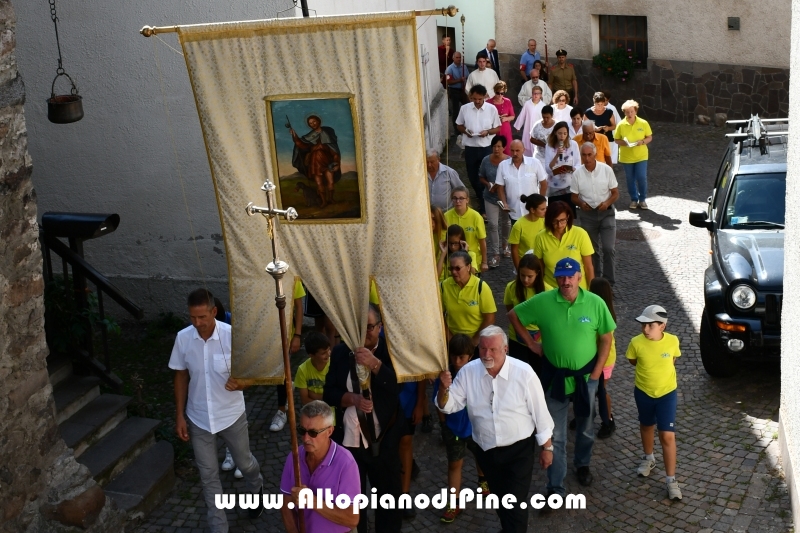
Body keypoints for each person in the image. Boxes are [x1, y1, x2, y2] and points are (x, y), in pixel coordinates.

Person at [507, 258, 615, 508]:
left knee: (586, 427)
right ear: (556, 278)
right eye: (561, 276)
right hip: (554, 379)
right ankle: (555, 487)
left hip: (586, 379)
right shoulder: (544, 301)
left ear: (579, 277)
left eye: (570, 276)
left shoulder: (595, 303)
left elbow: (607, 339)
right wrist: (532, 344)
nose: (566, 281)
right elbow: (513, 315)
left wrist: (596, 376)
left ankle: (583, 464)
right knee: (555, 435)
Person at [436, 326, 554, 532]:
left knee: (515, 503)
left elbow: (540, 413)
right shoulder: (467, 372)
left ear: (505, 349)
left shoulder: (524, 373)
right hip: (487, 450)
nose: (487, 354)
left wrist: (547, 448)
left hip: (519, 451)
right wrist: (443, 389)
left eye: (493, 350)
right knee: (500, 501)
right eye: (482, 349)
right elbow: (448, 405)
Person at [169, 289, 264, 532]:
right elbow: (180, 375)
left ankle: (256, 486)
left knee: (245, 463)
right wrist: (179, 415)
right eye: (192, 317)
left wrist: (243, 383)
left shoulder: (233, 336)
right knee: (208, 476)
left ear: (213, 312)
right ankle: (219, 527)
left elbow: (255, 371)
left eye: (202, 317)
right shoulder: (183, 338)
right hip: (198, 418)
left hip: (231, 415)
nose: (197, 323)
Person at [323, 304, 404, 533]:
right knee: (353, 498)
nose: (366, 332)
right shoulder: (340, 352)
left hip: (384, 438)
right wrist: (349, 398)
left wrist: (375, 364)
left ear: (380, 327)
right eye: (361, 327)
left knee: (388, 500)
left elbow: (398, 387)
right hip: (350, 442)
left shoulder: (391, 351)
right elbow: (329, 392)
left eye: (370, 327)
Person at [626, 305, 683, 501]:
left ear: (662, 326)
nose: (645, 329)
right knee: (646, 425)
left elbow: (672, 360)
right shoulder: (635, 343)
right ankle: (649, 458)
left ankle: (671, 480)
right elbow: (634, 361)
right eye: (643, 325)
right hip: (643, 392)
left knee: (667, 435)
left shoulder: (673, 341)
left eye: (650, 325)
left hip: (667, 394)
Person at [433, 334, 490, 523]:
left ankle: (483, 480)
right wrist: (443, 425)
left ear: (471, 356)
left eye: (462, 358)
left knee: (481, 456)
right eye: (454, 357)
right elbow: (439, 402)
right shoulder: (445, 376)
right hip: (454, 428)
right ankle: (454, 502)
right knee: (454, 464)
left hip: (476, 428)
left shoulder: (479, 373)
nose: (457, 362)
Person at [280, 401, 361, 533]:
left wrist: (313, 502)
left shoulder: (346, 463)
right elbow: (285, 505)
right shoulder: (294, 457)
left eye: (313, 433)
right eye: (302, 430)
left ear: (329, 431)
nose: (306, 438)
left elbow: (352, 519)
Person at [571, 142, 619, 285]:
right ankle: (596, 280)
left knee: (608, 248)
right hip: (587, 215)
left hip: (606, 213)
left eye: (589, 155)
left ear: (595, 154)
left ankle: (609, 281)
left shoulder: (606, 170)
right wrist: (581, 204)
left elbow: (616, 193)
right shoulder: (577, 174)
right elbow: (573, 196)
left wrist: (607, 203)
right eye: (584, 155)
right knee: (591, 250)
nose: (587, 158)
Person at [456, 84, 501, 215]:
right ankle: (480, 196)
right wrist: (465, 131)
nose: (477, 101)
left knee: (486, 176)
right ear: (470, 97)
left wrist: (487, 132)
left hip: (486, 148)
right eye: (474, 99)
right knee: (472, 176)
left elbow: (497, 128)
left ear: (485, 97)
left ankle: (484, 205)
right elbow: (458, 125)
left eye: (479, 99)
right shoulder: (465, 109)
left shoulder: (491, 109)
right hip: (470, 147)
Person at [271, 279, 308, 432]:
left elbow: (298, 307)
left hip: (285, 333)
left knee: (282, 370)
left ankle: (282, 410)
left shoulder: (292, 277)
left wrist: (297, 335)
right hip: (266, 334)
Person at [503, 253, 549, 373]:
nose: (525, 280)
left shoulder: (548, 291)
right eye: (522, 275)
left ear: (538, 274)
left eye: (530, 276)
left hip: (539, 340)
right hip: (516, 339)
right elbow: (509, 309)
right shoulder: (511, 287)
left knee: (539, 373)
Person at [532, 201, 595, 289]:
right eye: (555, 221)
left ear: (568, 217)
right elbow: (540, 267)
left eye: (562, 220)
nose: (559, 225)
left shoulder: (581, 234)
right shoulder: (540, 237)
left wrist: (592, 291)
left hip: (578, 289)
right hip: (551, 290)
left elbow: (588, 267)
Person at [440, 251, 496, 347]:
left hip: (475, 341)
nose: (454, 272)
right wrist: (450, 339)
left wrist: (474, 341)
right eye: (451, 268)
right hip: (452, 341)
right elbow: (439, 315)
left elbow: (490, 319)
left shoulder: (481, 287)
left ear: (468, 267)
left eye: (458, 268)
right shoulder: (444, 286)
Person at [290, 114, 341, 208]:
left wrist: (336, 163)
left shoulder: (328, 132)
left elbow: (334, 150)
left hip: (328, 161)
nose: (313, 124)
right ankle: (324, 202)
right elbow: (301, 144)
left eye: (314, 121)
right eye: (310, 123)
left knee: (330, 182)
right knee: (319, 183)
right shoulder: (310, 136)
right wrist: (294, 135)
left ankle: (331, 199)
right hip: (315, 162)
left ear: (318, 121)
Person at [589, 277, 617, 439]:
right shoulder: (606, 309)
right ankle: (588, 416)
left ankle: (608, 420)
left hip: (604, 360)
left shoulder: (602, 312)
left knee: (600, 391)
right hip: (601, 358)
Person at [495, 139, 548, 225]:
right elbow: (500, 187)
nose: (515, 153)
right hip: (514, 211)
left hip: (533, 211)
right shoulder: (503, 165)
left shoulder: (534, 163)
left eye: (517, 150)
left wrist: (540, 203)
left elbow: (544, 184)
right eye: (512, 150)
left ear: (524, 150)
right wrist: (504, 203)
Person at [479, 135, 511, 268]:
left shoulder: (509, 161)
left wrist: (498, 186)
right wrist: (488, 185)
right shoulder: (486, 160)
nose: (496, 149)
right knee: (492, 224)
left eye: (499, 146)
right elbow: (481, 176)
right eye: (494, 146)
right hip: (490, 197)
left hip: (506, 198)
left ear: (504, 147)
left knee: (506, 223)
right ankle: (496, 253)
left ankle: (505, 245)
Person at [614, 99, 653, 209]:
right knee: (630, 179)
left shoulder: (643, 123)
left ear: (635, 111)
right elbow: (616, 139)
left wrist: (643, 142)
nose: (630, 114)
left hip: (641, 155)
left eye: (631, 111)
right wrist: (624, 143)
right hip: (627, 157)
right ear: (624, 112)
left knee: (641, 177)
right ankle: (634, 199)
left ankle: (643, 199)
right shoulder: (621, 125)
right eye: (627, 112)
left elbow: (649, 137)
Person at [444, 186, 489, 271]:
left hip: (473, 260)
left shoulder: (476, 217)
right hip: (452, 260)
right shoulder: (446, 216)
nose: (458, 201)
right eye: (455, 198)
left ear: (467, 200)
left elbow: (482, 241)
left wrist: (484, 262)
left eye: (461, 198)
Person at [544, 121, 580, 215]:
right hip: (554, 186)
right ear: (555, 132)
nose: (562, 136)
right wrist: (557, 155)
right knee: (555, 214)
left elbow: (578, 164)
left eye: (565, 133)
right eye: (560, 133)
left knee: (569, 214)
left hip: (569, 185)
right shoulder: (549, 146)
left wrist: (571, 169)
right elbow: (548, 168)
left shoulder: (573, 144)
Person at [508, 193, 547, 269]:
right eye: (542, 209)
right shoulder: (518, 225)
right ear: (532, 210)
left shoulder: (545, 222)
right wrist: (518, 268)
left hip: (542, 263)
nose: (545, 211)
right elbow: (514, 250)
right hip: (526, 265)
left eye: (545, 208)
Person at [295, 331, 333, 406]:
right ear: (311, 355)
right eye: (323, 353)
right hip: (312, 409)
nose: (328, 354)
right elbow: (305, 400)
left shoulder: (334, 365)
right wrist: (326, 398)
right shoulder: (302, 369)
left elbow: (337, 396)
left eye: (329, 350)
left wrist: (314, 395)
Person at [514, 85, 545, 157]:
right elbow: (522, 115)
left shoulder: (543, 106)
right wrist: (518, 126)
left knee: (536, 147)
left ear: (541, 95)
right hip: (528, 128)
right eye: (534, 93)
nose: (536, 95)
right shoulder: (527, 104)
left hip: (538, 129)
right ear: (532, 94)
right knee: (526, 145)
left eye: (538, 93)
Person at [584, 92, 616, 159]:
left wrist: (608, 128)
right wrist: (594, 128)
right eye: (598, 104)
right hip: (593, 140)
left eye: (602, 104)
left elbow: (614, 126)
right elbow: (585, 127)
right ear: (594, 103)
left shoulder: (609, 112)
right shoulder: (588, 112)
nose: (600, 106)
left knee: (608, 159)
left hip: (607, 140)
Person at [488, 81, 515, 156]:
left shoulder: (507, 101)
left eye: (502, 93)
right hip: (493, 129)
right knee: (494, 151)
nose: (500, 95)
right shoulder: (489, 102)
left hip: (505, 129)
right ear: (494, 91)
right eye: (497, 93)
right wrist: (496, 118)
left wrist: (505, 119)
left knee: (507, 151)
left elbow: (512, 116)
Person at [444, 52, 469, 132]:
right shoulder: (449, 69)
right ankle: (456, 129)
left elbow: (467, 76)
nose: (459, 59)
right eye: (457, 57)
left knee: (468, 107)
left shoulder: (464, 67)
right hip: (454, 91)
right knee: (456, 110)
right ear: (453, 58)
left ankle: (467, 125)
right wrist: (459, 80)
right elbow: (448, 81)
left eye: (460, 57)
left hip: (463, 90)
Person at [602, 91, 622, 164]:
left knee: (610, 154)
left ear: (608, 100)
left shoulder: (612, 108)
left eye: (605, 100)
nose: (603, 101)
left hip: (611, 134)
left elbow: (618, 122)